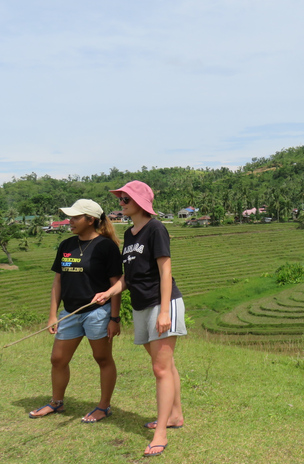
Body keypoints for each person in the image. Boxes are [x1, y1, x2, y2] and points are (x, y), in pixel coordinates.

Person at [93, 180, 187, 458]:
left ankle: (160, 433)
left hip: (162, 303)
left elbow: (165, 271)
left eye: (126, 199)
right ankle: (175, 415)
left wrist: (165, 311)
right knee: (165, 365)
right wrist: (109, 292)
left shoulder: (155, 229)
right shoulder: (131, 234)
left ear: (139, 202)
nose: (121, 203)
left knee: (160, 370)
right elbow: (129, 276)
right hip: (141, 305)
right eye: (120, 198)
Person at [29, 199, 123, 423]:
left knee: (102, 358)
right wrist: (53, 314)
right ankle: (56, 402)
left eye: (75, 217)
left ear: (90, 220)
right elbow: (57, 282)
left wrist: (114, 318)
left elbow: (116, 286)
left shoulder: (106, 247)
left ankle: (103, 407)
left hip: (97, 313)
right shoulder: (66, 245)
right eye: (69, 217)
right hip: (70, 313)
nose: (69, 221)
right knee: (58, 359)